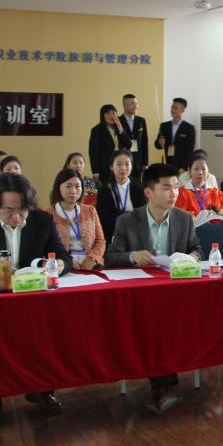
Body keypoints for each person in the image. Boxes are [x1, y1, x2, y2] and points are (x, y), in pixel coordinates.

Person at [0, 172, 71, 425]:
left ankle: (41, 388)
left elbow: (63, 256)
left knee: (54, 326)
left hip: (32, 300)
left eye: (22, 210)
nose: (17, 217)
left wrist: (59, 265)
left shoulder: (42, 220)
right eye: (9, 210)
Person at [105, 163, 201, 413]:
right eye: (166, 188)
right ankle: (164, 385)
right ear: (148, 192)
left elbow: (197, 249)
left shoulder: (184, 218)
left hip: (176, 291)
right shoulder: (127, 221)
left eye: (176, 188)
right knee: (155, 321)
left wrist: (191, 257)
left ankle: (164, 384)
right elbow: (110, 257)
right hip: (141, 295)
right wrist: (132, 256)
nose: (173, 194)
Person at [46, 169, 106, 270]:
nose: (73, 191)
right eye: (68, 186)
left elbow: (100, 241)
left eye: (77, 186)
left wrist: (92, 258)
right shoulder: (48, 215)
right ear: (58, 187)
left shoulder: (90, 211)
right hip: (63, 266)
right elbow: (47, 247)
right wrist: (67, 262)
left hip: (91, 264)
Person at [96, 150, 146, 243]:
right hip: (113, 234)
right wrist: (128, 216)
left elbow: (143, 214)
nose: (123, 168)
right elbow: (103, 218)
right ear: (111, 167)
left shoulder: (139, 187)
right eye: (119, 164)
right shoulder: (105, 189)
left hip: (137, 233)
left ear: (131, 166)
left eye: (127, 164)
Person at [88, 104, 131, 183]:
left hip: (120, 166)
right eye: (108, 113)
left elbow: (129, 145)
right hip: (105, 167)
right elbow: (93, 152)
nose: (112, 116)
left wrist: (121, 130)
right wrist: (95, 171)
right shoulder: (97, 130)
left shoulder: (121, 128)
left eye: (113, 113)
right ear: (103, 116)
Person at [154, 97, 196, 171]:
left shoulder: (189, 128)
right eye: (172, 107)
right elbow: (157, 145)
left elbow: (189, 151)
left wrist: (183, 167)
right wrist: (159, 143)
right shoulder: (164, 126)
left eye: (175, 108)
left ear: (183, 110)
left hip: (181, 167)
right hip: (166, 164)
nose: (172, 110)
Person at [120, 94, 149, 181]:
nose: (136, 106)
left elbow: (144, 142)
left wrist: (146, 163)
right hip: (123, 161)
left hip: (138, 162)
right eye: (132, 103)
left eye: (136, 103)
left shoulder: (141, 120)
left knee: (137, 185)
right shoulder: (118, 121)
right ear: (124, 105)